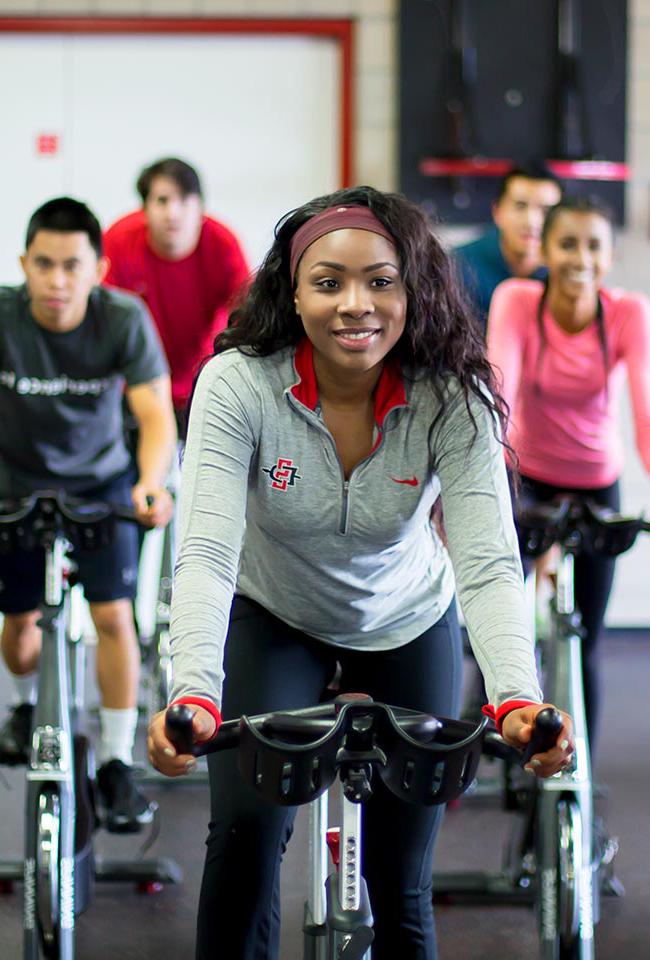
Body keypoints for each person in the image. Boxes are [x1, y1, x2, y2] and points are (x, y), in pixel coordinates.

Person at [147, 186, 573, 959]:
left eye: (381, 281)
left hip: (407, 618)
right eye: (329, 282)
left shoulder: (455, 397)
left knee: (401, 878)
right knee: (243, 843)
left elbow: (484, 562)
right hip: (274, 613)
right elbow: (207, 550)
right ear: (294, 292)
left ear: (414, 290)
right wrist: (193, 693)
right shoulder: (239, 383)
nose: (356, 304)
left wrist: (517, 695)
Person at [0, 197, 177, 832]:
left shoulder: (122, 319)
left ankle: (114, 762)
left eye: (72, 266)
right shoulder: (4, 315)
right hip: (13, 485)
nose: (57, 281)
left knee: (112, 618)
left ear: (98, 268)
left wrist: (152, 483)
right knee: (20, 632)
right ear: (24, 263)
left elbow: (155, 415)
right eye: (43, 265)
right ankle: (23, 705)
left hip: (102, 485)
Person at [487, 195, 650, 755]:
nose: (580, 257)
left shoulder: (629, 313)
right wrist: (482, 480)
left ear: (608, 256)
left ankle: (577, 770)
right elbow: (498, 394)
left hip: (598, 481)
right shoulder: (517, 300)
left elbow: (647, 413)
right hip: (529, 475)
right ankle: (476, 742)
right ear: (545, 251)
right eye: (567, 243)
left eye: (593, 245)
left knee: (588, 635)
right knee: (499, 616)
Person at [103, 157, 249, 423]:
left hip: (206, 385)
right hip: (134, 390)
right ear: (144, 208)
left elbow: (241, 318)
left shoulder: (223, 244)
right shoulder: (117, 241)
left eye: (185, 200)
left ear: (201, 206)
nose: (173, 213)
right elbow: (105, 319)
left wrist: (207, 376)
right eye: (162, 200)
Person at [455, 163, 563, 331]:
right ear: (497, 211)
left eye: (546, 211)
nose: (532, 222)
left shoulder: (565, 271)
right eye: (520, 206)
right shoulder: (457, 267)